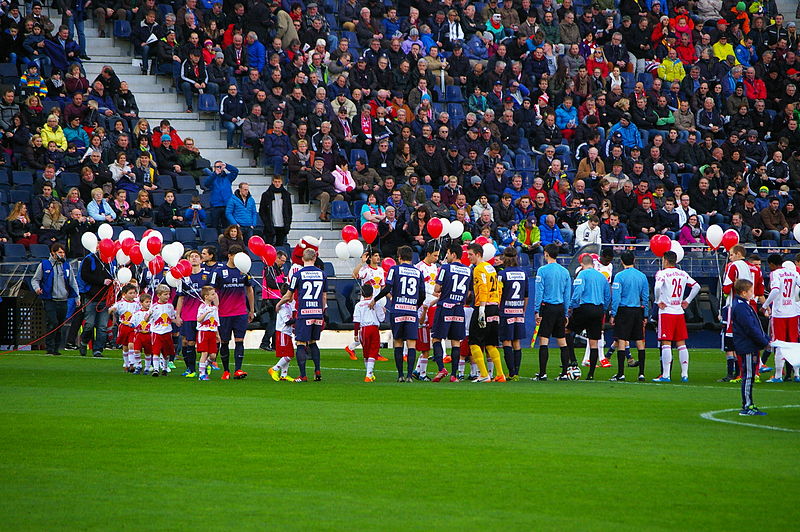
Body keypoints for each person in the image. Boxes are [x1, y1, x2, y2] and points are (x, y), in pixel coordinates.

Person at [371, 245, 426, 382]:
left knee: (398, 341)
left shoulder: (394, 269)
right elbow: (423, 294)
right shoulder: (418, 272)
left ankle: (400, 375)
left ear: (399, 257)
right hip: (411, 311)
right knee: (412, 343)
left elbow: (387, 288)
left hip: (398, 310)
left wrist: (375, 299)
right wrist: (415, 305)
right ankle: (409, 376)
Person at [277, 247, 327, 382]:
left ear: (302, 259)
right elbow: (324, 296)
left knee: (300, 342)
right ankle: (317, 371)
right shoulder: (322, 274)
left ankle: (303, 375)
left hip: (304, 312)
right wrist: (322, 311)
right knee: (313, 342)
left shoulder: (297, 274)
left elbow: (288, 295)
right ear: (315, 258)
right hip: (317, 312)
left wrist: (278, 304)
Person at [425, 243, 472, 382]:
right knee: (456, 341)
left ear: (453, 254)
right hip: (459, 308)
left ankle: (441, 369)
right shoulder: (468, 270)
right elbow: (468, 292)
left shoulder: (445, 268)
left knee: (436, 338)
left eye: (448, 253)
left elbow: (437, 288)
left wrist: (441, 290)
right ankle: (454, 375)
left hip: (445, 307)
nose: (446, 256)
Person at [653, 251, 700, 383]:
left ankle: (666, 375)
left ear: (666, 260)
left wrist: (657, 301)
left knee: (666, 343)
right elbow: (696, 286)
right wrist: (688, 300)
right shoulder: (682, 273)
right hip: (679, 311)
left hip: (667, 311)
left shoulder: (662, 273)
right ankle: (684, 374)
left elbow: (657, 287)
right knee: (681, 344)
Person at [211, 245, 255, 380]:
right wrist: (214, 309)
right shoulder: (219, 272)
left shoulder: (244, 271)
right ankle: (226, 371)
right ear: (229, 256)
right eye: (236, 255)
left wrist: (252, 309)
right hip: (224, 313)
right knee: (224, 341)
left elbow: (249, 290)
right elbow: (211, 291)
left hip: (240, 312)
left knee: (240, 341)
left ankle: (238, 369)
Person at [565, 253, 611, 380]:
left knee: (567, 330)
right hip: (598, 309)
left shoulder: (582, 274)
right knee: (594, 341)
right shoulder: (602, 277)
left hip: (584, 307)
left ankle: (573, 361)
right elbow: (608, 296)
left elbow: (578, 291)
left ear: (582, 264)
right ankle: (591, 374)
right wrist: (604, 309)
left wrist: (572, 305)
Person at [31, 243, 79, 357]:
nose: (62, 254)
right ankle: (50, 347)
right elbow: (35, 279)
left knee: (59, 325)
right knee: (52, 322)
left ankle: (56, 348)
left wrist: (77, 296)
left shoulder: (66, 266)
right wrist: (37, 289)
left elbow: (73, 282)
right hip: (50, 298)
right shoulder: (45, 265)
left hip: (63, 299)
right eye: (60, 252)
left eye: (63, 252)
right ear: (53, 253)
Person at [466, 242, 505, 382]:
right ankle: (500, 374)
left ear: (478, 254)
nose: (468, 257)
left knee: (474, 341)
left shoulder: (478, 269)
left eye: (470, 254)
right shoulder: (491, 268)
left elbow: (483, 288)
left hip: (484, 306)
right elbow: (499, 287)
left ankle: (483, 374)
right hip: (494, 306)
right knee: (490, 343)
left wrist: (481, 309)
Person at [731, 279, 770, 416]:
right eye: (751, 291)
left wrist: (765, 339)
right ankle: (747, 406)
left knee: (750, 376)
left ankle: (749, 404)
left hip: (749, 345)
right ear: (743, 292)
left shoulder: (742, 305)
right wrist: (764, 341)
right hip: (747, 346)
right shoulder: (741, 307)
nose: (753, 294)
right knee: (748, 376)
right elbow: (750, 328)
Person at [533, 243, 571, 381]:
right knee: (562, 341)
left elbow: (539, 292)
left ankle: (543, 373)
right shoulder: (564, 272)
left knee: (544, 340)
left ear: (546, 253)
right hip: (560, 308)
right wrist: (566, 313)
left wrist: (537, 310)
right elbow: (567, 294)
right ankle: (564, 373)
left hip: (547, 308)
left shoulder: (542, 270)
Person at [609, 252, 649, 382]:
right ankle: (641, 373)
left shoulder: (619, 276)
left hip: (623, 310)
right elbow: (646, 297)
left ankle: (621, 373)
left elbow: (616, 297)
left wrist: (613, 313)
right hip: (637, 310)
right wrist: (646, 314)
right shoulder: (642, 276)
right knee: (639, 340)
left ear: (621, 261)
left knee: (622, 340)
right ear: (635, 260)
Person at [761, 256, 800, 383]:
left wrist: (765, 305)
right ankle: (797, 374)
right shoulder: (794, 273)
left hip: (779, 313)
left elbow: (776, 290)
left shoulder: (775, 274)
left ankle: (778, 375)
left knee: (779, 344)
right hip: (793, 312)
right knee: (793, 344)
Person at [173, 250, 208, 378]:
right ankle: (191, 369)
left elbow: (212, 294)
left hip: (205, 315)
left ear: (201, 260)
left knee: (206, 342)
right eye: (191, 257)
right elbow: (181, 298)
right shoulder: (183, 278)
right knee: (189, 342)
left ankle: (207, 364)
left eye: (196, 256)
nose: (193, 259)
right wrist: (177, 315)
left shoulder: (207, 275)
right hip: (188, 315)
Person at [410, 242, 440, 381]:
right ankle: (420, 373)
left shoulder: (435, 267)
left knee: (427, 338)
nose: (436, 258)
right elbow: (418, 289)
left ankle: (418, 370)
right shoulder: (418, 268)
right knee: (424, 341)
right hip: (423, 306)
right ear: (427, 254)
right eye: (434, 255)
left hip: (432, 304)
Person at [498, 247, 528, 381]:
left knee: (506, 341)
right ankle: (516, 371)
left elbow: (499, 295)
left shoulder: (502, 274)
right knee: (517, 342)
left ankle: (510, 372)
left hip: (506, 311)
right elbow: (526, 296)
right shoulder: (523, 274)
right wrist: (523, 310)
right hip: (519, 311)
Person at [78, 246, 113, 358]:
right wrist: (101, 281)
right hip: (91, 297)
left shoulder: (110, 261)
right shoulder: (89, 259)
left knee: (102, 326)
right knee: (89, 324)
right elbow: (85, 275)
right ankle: (84, 341)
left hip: (105, 298)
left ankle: (98, 350)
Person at [352, 284, 386, 382]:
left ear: (362, 294)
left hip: (363, 329)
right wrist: (383, 312)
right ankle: (369, 374)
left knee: (366, 352)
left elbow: (356, 320)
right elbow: (382, 319)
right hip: (374, 328)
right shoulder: (376, 304)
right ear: (372, 293)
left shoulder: (358, 305)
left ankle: (369, 374)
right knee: (373, 351)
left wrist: (355, 334)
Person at [107, 283, 140, 373]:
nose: (133, 295)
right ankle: (126, 363)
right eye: (130, 293)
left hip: (133, 327)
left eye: (134, 293)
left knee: (131, 345)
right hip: (123, 327)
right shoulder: (120, 303)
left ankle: (132, 364)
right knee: (125, 346)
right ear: (124, 294)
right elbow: (111, 309)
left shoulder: (137, 304)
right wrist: (111, 310)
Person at [147, 284, 177, 376]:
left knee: (166, 351)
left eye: (168, 294)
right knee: (156, 351)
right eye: (165, 294)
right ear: (159, 295)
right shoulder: (154, 306)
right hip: (156, 331)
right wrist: (149, 315)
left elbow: (172, 317)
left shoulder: (170, 306)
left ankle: (164, 368)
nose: (167, 296)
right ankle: (156, 369)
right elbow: (146, 319)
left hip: (167, 331)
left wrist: (177, 321)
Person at [267, 284, 295, 382]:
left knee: (287, 354)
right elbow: (287, 321)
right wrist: (299, 319)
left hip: (287, 333)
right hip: (283, 332)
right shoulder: (283, 307)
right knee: (289, 355)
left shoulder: (287, 305)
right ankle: (274, 369)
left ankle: (284, 375)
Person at [202, 161, 239, 231]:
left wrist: (227, 165)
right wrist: (215, 174)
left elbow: (236, 171)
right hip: (216, 206)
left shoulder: (228, 177)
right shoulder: (212, 178)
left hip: (227, 205)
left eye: (220, 166)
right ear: (214, 168)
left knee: (227, 227)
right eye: (217, 167)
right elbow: (206, 184)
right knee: (214, 226)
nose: (219, 168)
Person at [258, 175, 292, 247]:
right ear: (272, 182)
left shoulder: (286, 195)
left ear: (281, 182)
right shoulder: (266, 195)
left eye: (279, 182)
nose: (277, 183)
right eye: (275, 182)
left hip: (282, 225)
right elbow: (262, 210)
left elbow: (289, 211)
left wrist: (288, 224)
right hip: (270, 225)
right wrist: (266, 223)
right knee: (268, 247)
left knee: (280, 247)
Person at [196, 286, 220, 381]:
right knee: (204, 353)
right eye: (212, 294)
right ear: (206, 296)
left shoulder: (214, 308)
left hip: (212, 332)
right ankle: (201, 374)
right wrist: (206, 313)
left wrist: (217, 334)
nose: (214, 296)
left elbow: (216, 322)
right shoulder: (202, 307)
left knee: (213, 355)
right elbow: (198, 319)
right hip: (204, 332)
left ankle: (204, 365)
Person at [131, 292, 153, 374]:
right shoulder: (137, 313)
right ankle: (138, 365)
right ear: (141, 303)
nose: (148, 304)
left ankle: (147, 368)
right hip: (139, 334)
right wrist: (131, 324)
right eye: (146, 302)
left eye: (150, 302)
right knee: (136, 350)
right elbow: (132, 322)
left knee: (148, 352)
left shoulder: (152, 313)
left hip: (148, 335)